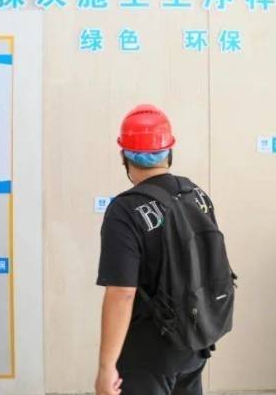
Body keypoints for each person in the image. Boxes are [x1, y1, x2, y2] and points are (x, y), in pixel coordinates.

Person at [95, 104, 233, 395]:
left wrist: (106, 367)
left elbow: (122, 292)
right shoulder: (197, 195)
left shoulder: (125, 210)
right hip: (195, 341)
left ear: (124, 156)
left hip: (148, 355)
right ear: (169, 151)